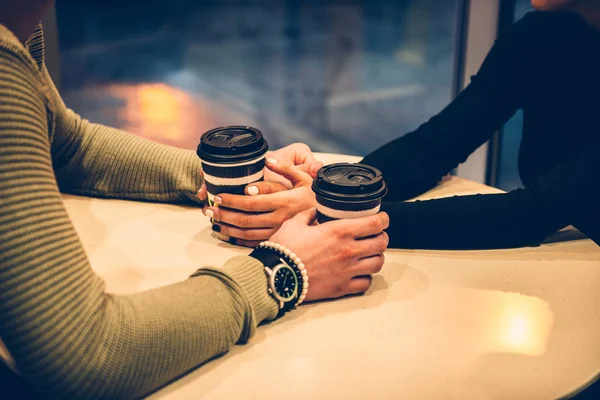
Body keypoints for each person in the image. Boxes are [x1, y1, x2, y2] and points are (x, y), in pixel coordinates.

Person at [0, 1, 390, 399]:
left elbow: (65, 146)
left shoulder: (17, 25)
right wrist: (282, 270)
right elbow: (87, 355)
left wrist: (234, 182)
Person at [202, 0, 600, 250]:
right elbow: (433, 146)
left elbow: (530, 214)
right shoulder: (545, 34)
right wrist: (337, 189)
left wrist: (344, 218)